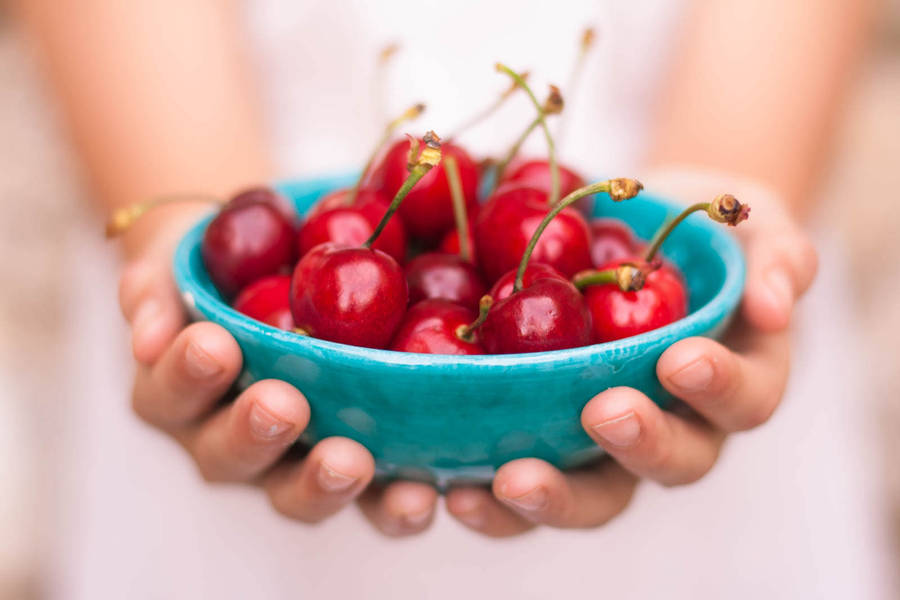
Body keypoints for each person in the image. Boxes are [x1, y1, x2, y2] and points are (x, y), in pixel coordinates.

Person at [12, 0, 887, 597]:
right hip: (230, 257)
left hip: (694, 467)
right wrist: (178, 214)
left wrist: (736, 179)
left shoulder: (591, 255)